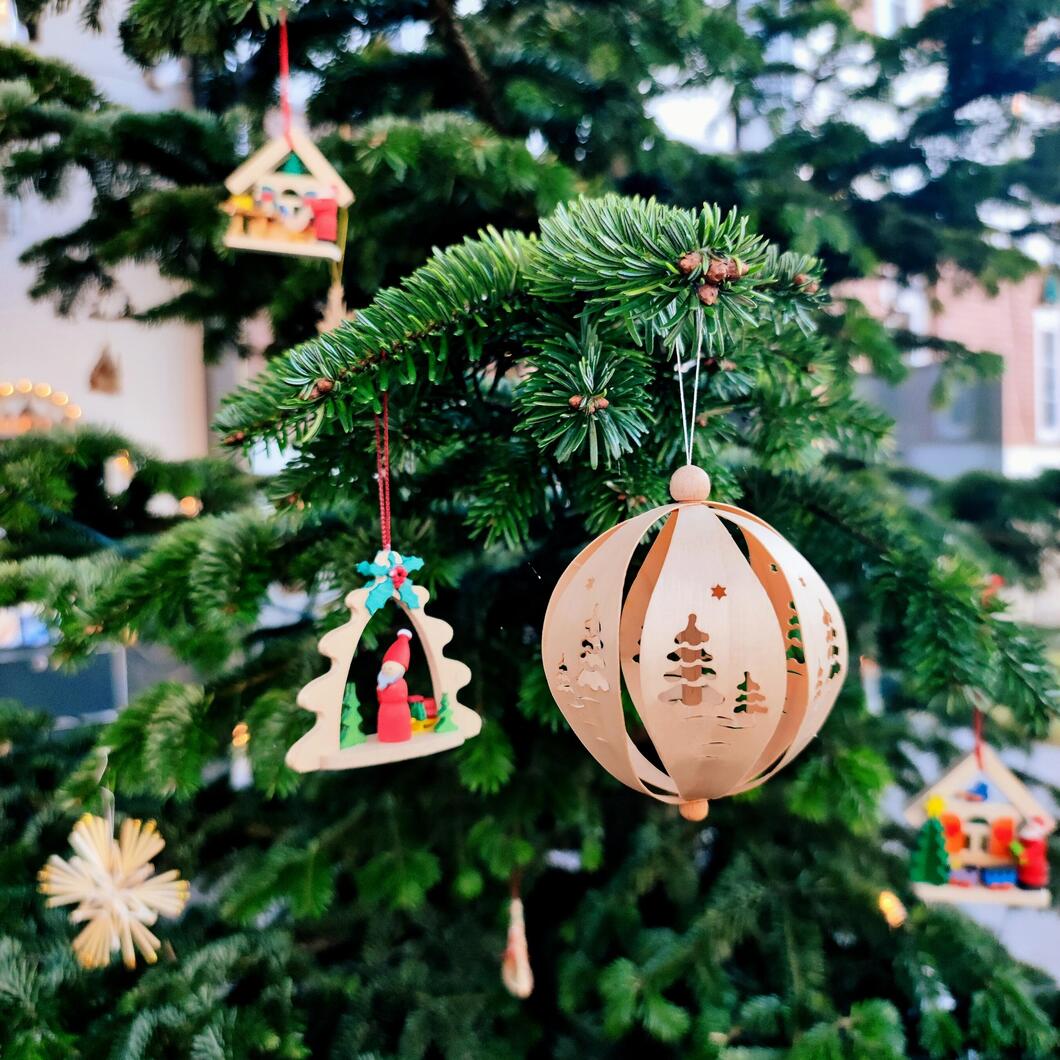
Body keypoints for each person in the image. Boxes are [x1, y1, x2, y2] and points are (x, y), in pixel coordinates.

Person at [376, 629, 414, 742]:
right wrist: (380, 690)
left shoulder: (401, 683)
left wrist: (387, 688)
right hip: (385, 711)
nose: (387, 669)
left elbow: (401, 695)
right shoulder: (382, 682)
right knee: (386, 727)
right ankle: (386, 736)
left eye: (392, 667)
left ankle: (401, 735)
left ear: (401, 670)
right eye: (386, 666)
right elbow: (380, 697)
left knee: (400, 728)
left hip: (400, 711)